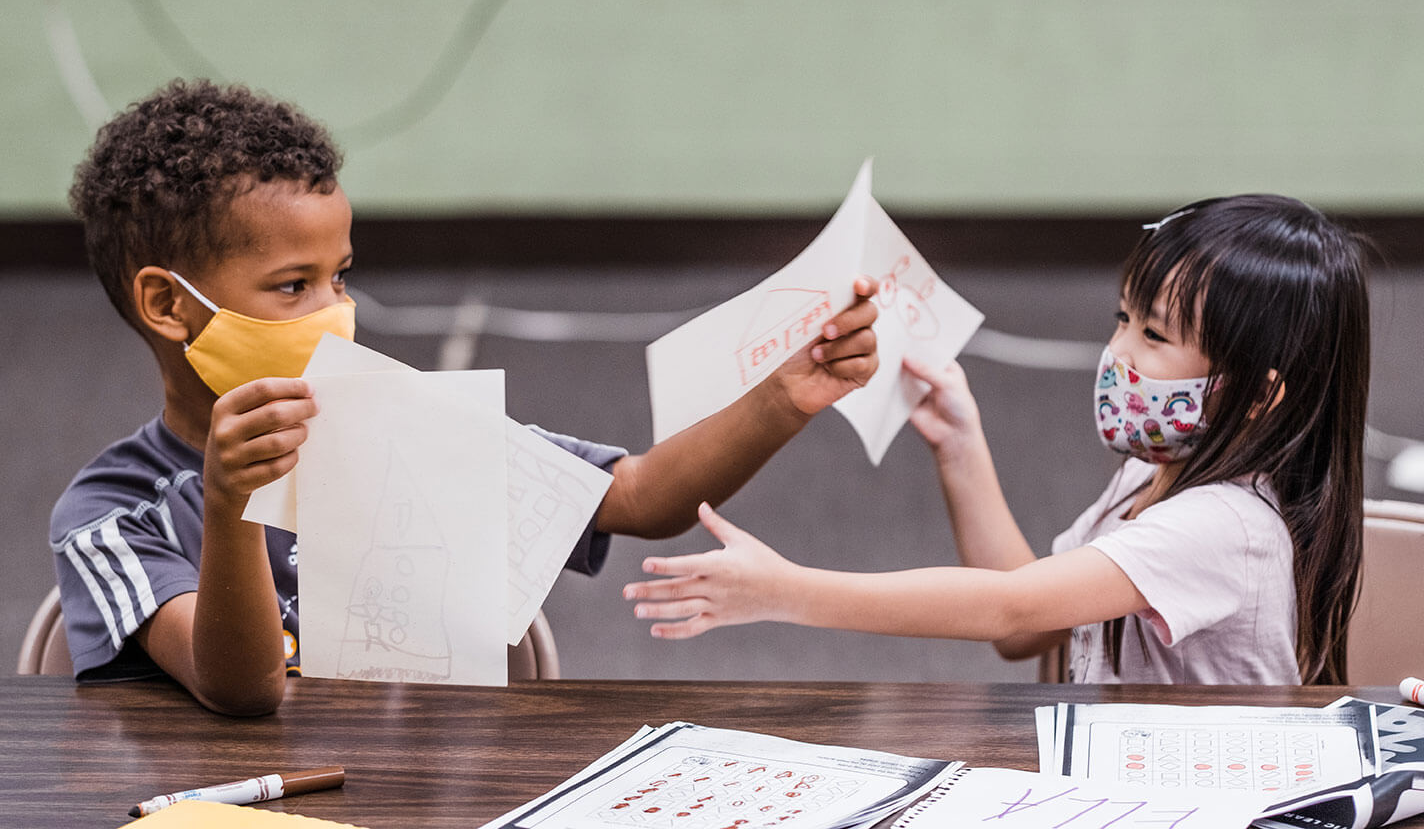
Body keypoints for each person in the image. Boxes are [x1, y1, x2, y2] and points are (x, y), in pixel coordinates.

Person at [53, 79, 880, 715]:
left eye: (339, 276)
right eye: (292, 285)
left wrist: (782, 398)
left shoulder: (406, 424)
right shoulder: (112, 513)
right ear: (168, 305)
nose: (335, 312)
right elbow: (242, 693)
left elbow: (639, 496)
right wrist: (234, 500)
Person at [625, 194, 1372, 685]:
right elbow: (1030, 628)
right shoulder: (1157, 475)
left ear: (1261, 394)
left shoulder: (1225, 526)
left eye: (1154, 335)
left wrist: (788, 594)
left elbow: (1011, 608)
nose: (1118, 354)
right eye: (1122, 319)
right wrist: (960, 445)